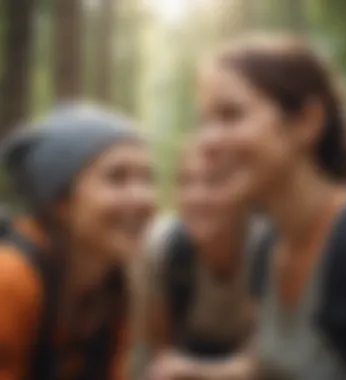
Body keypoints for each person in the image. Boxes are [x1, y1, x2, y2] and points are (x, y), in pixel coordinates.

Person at [198, 33, 346, 380]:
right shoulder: (265, 245)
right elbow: (271, 363)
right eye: (206, 121)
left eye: (231, 115)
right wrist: (199, 372)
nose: (207, 142)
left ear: (307, 122)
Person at [0, 104, 156, 380]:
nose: (143, 198)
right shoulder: (11, 278)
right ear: (61, 202)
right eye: (117, 178)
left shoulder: (113, 284)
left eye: (147, 178)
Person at [141, 140, 260, 380]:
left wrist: (197, 372)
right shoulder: (163, 249)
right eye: (186, 182)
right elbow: (159, 353)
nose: (196, 197)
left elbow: (269, 362)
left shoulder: (267, 249)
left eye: (214, 182)